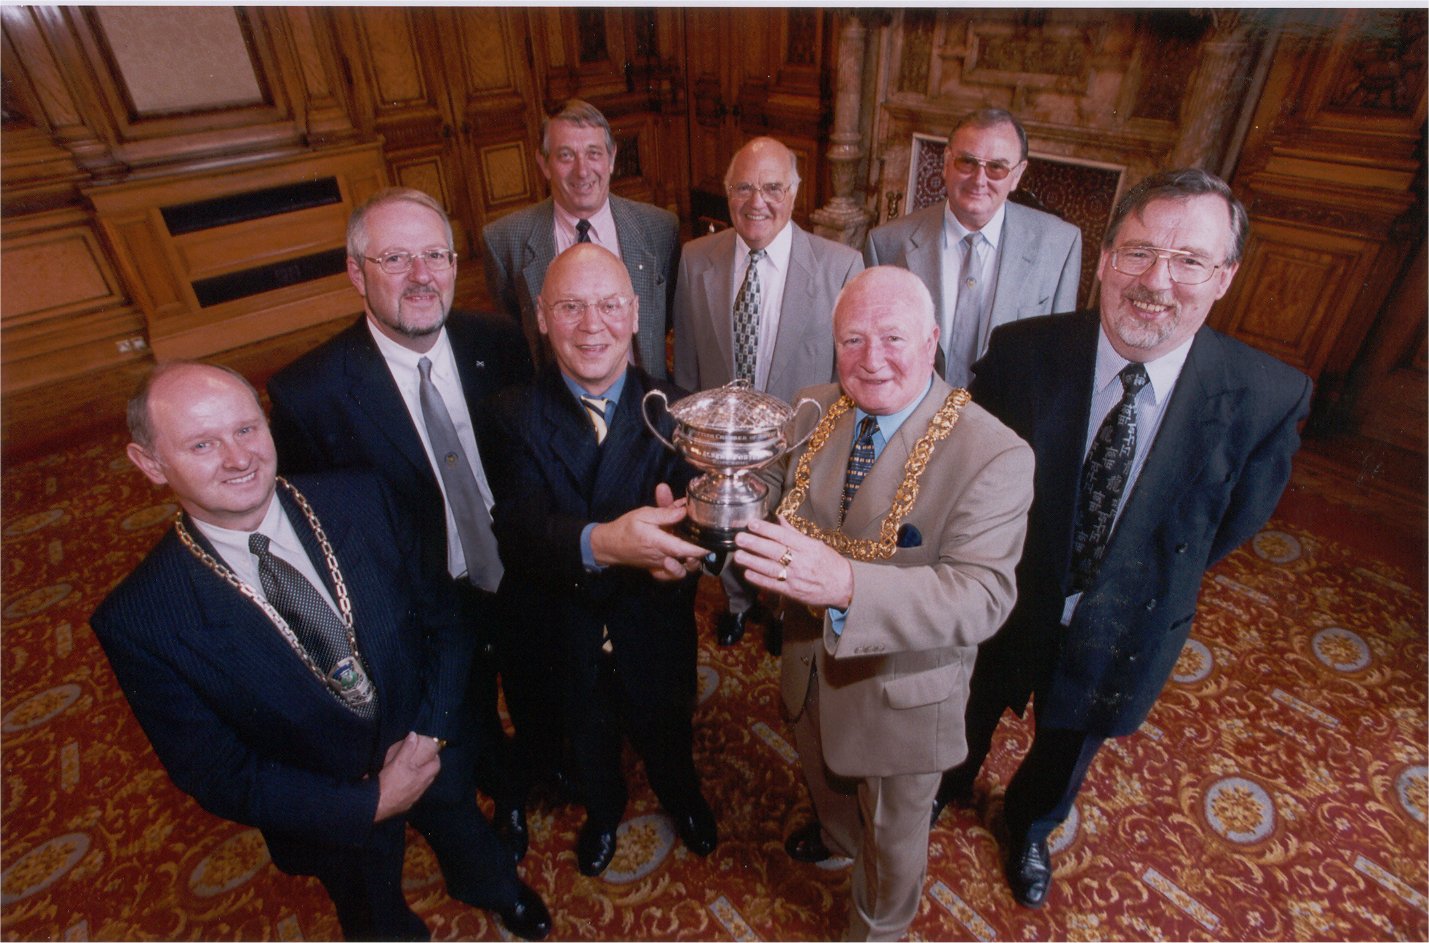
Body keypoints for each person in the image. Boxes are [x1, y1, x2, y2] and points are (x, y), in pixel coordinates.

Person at [935, 168, 1313, 910]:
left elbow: (1232, 521)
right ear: (1105, 259)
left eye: (1190, 260)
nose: (1156, 282)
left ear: (1224, 278)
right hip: (1007, 595)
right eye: (1139, 252)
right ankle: (947, 782)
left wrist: (1131, 573)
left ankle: (1029, 825)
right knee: (969, 702)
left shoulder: (1269, 395)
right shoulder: (1021, 351)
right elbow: (968, 476)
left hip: (1126, 616)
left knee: (1070, 741)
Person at [91, 362, 552, 941]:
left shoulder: (364, 497)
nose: (238, 458)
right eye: (203, 444)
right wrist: (370, 803)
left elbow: (447, 621)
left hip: (429, 745)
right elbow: (216, 771)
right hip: (328, 811)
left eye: (246, 429)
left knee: (466, 832)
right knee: (370, 907)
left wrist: (429, 735)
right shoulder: (141, 620)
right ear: (151, 464)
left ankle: (494, 888)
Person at [732, 266, 1034, 940]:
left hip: (903, 698)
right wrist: (724, 498)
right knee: (829, 786)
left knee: (892, 845)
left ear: (932, 340)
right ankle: (838, 838)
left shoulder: (993, 453)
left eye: (893, 338)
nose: (871, 360)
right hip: (809, 665)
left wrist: (847, 586)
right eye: (852, 340)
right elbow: (774, 483)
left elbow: (983, 595)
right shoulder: (813, 404)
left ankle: (876, 930)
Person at [267, 187, 535, 860]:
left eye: (435, 255)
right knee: (463, 715)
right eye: (395, 258)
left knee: (536, 681)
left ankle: (527, 773)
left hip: (519, 569)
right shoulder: (309, 393)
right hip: (422, 604)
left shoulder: (501, 343)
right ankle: (494, 790)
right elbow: (316, 531)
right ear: (356, 272)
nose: (421, 275)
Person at [479, 243, 718, 878]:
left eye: (610, 305)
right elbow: (522, 533)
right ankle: (604, 813)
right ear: (541, 316)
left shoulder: (681, 410)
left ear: (636, 313)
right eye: (570, 307)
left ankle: (682, 796)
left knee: (667, 727)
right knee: (586, 736)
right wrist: (611, 542)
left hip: (652, 620)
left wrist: (686, 559)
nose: (592, 325)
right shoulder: (509, 414)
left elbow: (695, 523)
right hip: (564, 626)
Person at [672, 136, 864, 651]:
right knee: (730, 533)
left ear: (794, 194)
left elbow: (848, 380)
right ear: (727, 193)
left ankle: (781, 611)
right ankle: (738, 604)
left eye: (773, 188)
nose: (757, 202)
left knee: (789, 536)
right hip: (723, 446)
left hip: (799, 443)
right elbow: (686, 362)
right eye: (744, 188)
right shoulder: (695, 258)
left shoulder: (841, 266)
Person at [863, 107, 1082, 388]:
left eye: (997, 167)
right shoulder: (886, 244)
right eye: (967, 162)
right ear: (946, 163)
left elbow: (1057, 360)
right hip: (914, 408)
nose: (979, 180)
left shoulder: (1060, 245)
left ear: (1017, 174)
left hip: (1005, 411)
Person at [483, 99, 680, 378]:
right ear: (544, 163)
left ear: (612, 158)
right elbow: (514, 340)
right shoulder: (504, 241)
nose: (583, 171)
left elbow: (666, 319)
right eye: (566, 156)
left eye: (593, 153)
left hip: (642, 396)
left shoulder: (660, 228)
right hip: (556, 400)